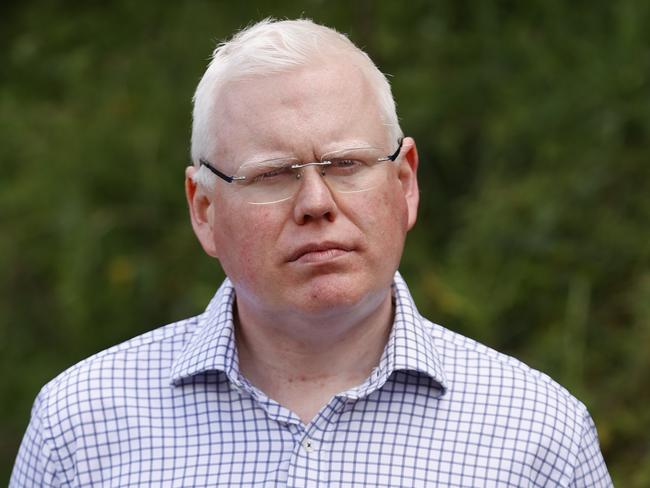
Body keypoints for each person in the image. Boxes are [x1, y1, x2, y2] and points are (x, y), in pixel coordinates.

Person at [11, 18, 613, 487]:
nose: (316, 203)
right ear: (203, 210)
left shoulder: (538, 434)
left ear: (404, 184)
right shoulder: (81, 425)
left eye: (346, 165)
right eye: (272, 175)